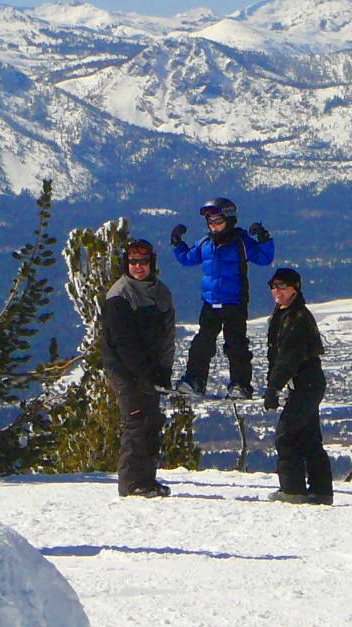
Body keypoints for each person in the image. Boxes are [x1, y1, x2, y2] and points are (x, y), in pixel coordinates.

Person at [169, 196, 275, 398]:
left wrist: (264, 238)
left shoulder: (241, 242)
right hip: (210, 302)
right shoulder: (205, 244)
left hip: (234, 302)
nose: (214, 226)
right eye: (210, 222)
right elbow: (188, 258)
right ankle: (194, 381)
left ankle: (240, 385)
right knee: (202, 343)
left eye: (218, 221)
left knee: (236, 344)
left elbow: (264, 257)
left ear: (230, 219)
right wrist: (177, 243)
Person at [99, 239, 177, 498]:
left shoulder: (161, 292)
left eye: (143, 262)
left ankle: (147, 479)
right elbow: (123, 342)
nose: (138, 267)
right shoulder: (119, 295)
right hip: (124, 370)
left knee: (152, 421)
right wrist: (141, 374)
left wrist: (163, 371)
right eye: (133, 262)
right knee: (135, 421)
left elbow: (167, 335)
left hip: (151, 369)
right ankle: (132, 483)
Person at [262, 267, 332, 506]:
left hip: (307, 384)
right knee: (309, 437)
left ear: (295, 288)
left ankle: (293, 491)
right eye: (273, 286)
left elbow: (288, 358)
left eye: (282, 286)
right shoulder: (284, 313)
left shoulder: (298, 318)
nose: (276, 291)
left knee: (287, 435)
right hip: (305, 384)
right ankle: (321, 492)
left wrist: (273, 388)